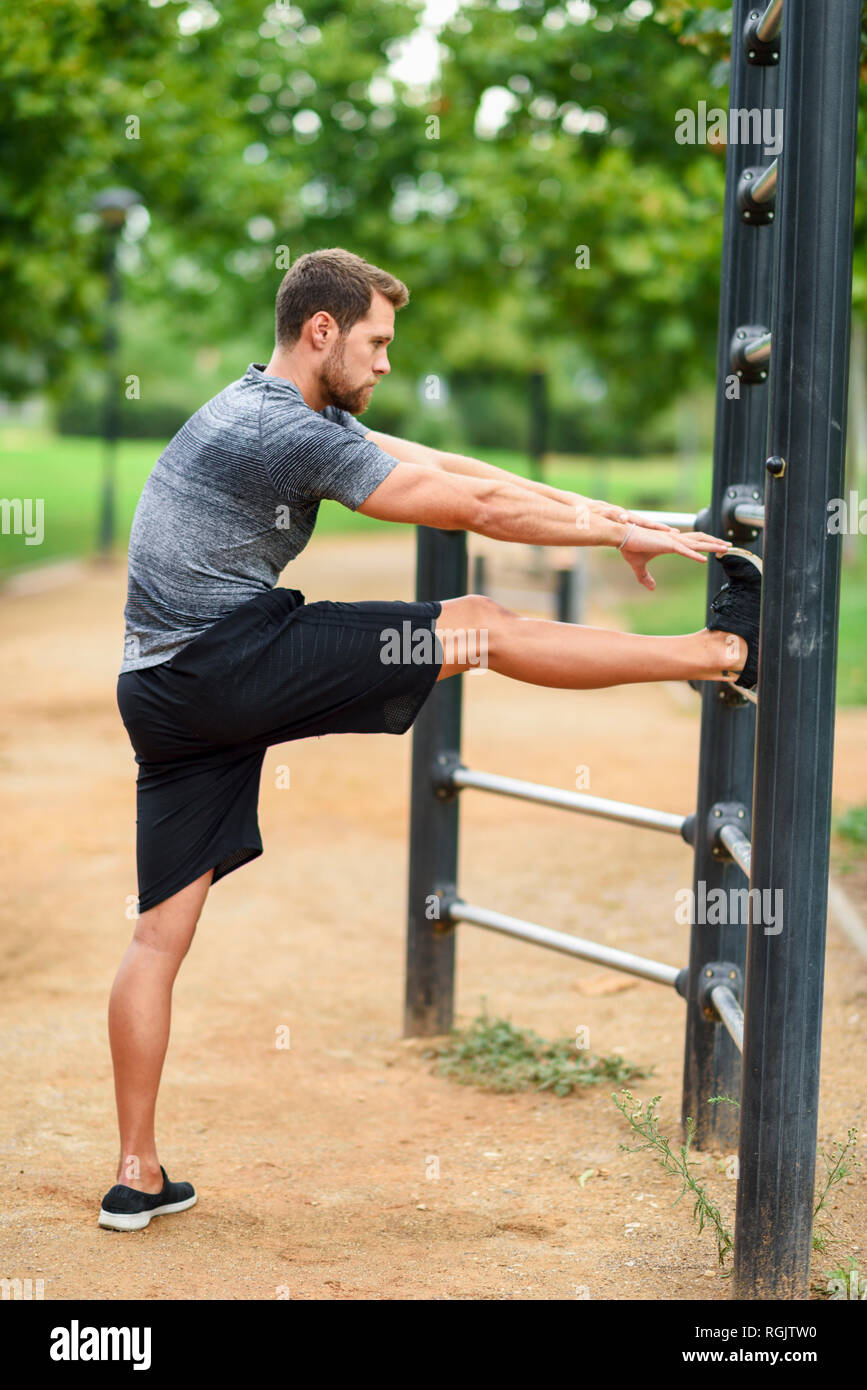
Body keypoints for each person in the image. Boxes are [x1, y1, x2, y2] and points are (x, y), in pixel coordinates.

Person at [100, 246, 761, 1230]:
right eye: (376, 343)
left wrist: (613, 515)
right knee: (478, 624)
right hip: (226, 662)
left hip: (156, 688)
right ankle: (715, 654)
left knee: (158, 933)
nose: (386, 364)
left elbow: (450, 468)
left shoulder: (267, 404)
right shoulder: (292, 432)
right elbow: (479, 507)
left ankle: (134, 1173)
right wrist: (614, 529)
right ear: (320, 331)